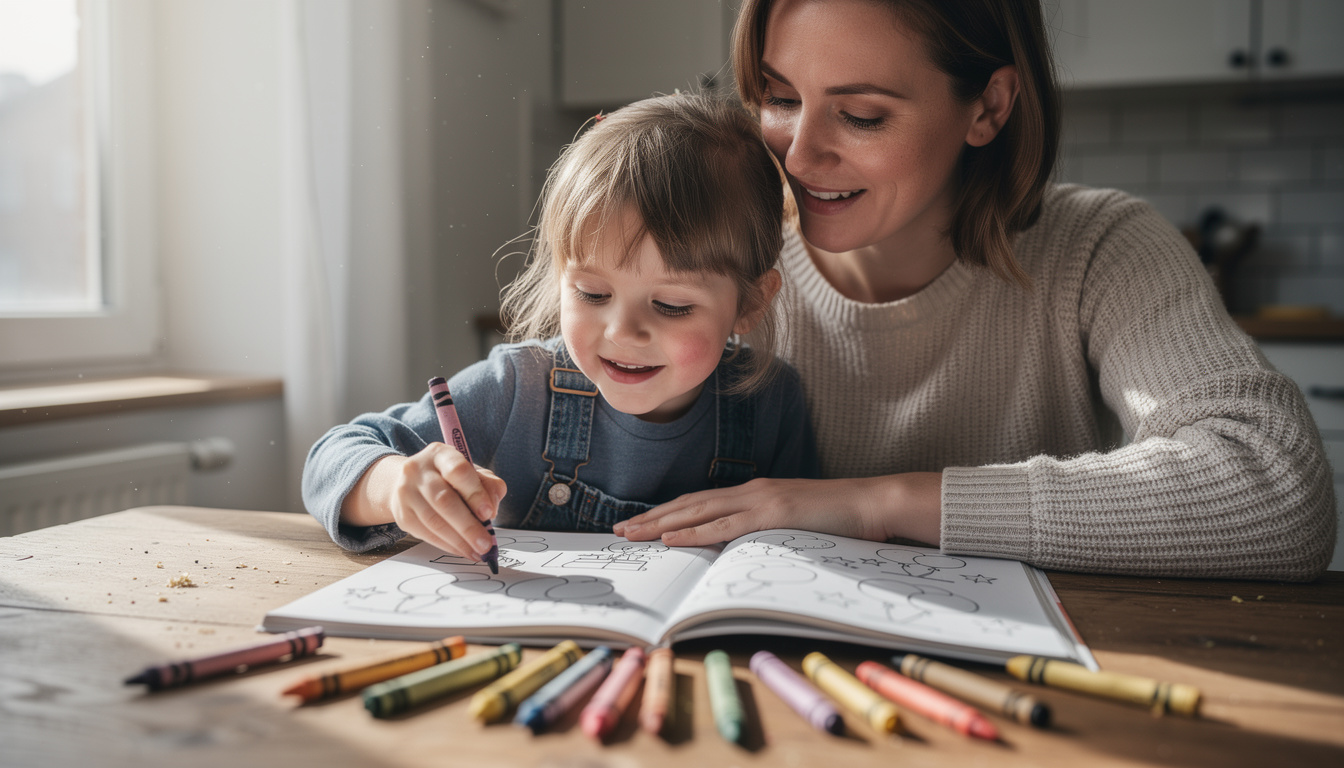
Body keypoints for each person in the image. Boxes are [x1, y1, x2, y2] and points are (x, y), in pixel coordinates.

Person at [614, 0, 1336, 581]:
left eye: (862, 114)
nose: (798, 156)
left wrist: (876, 502)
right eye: (778, 97)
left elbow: (1276, 489)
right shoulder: (721, 265)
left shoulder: (1100, 248)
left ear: (988, 107)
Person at [302, 93, 818, 557]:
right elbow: (333, 457)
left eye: (672, 305)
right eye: (593, 294)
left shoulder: (772, 404)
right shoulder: (518, 389)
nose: (621, 330)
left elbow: (803, 548)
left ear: (751, 302)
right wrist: (394, 485)